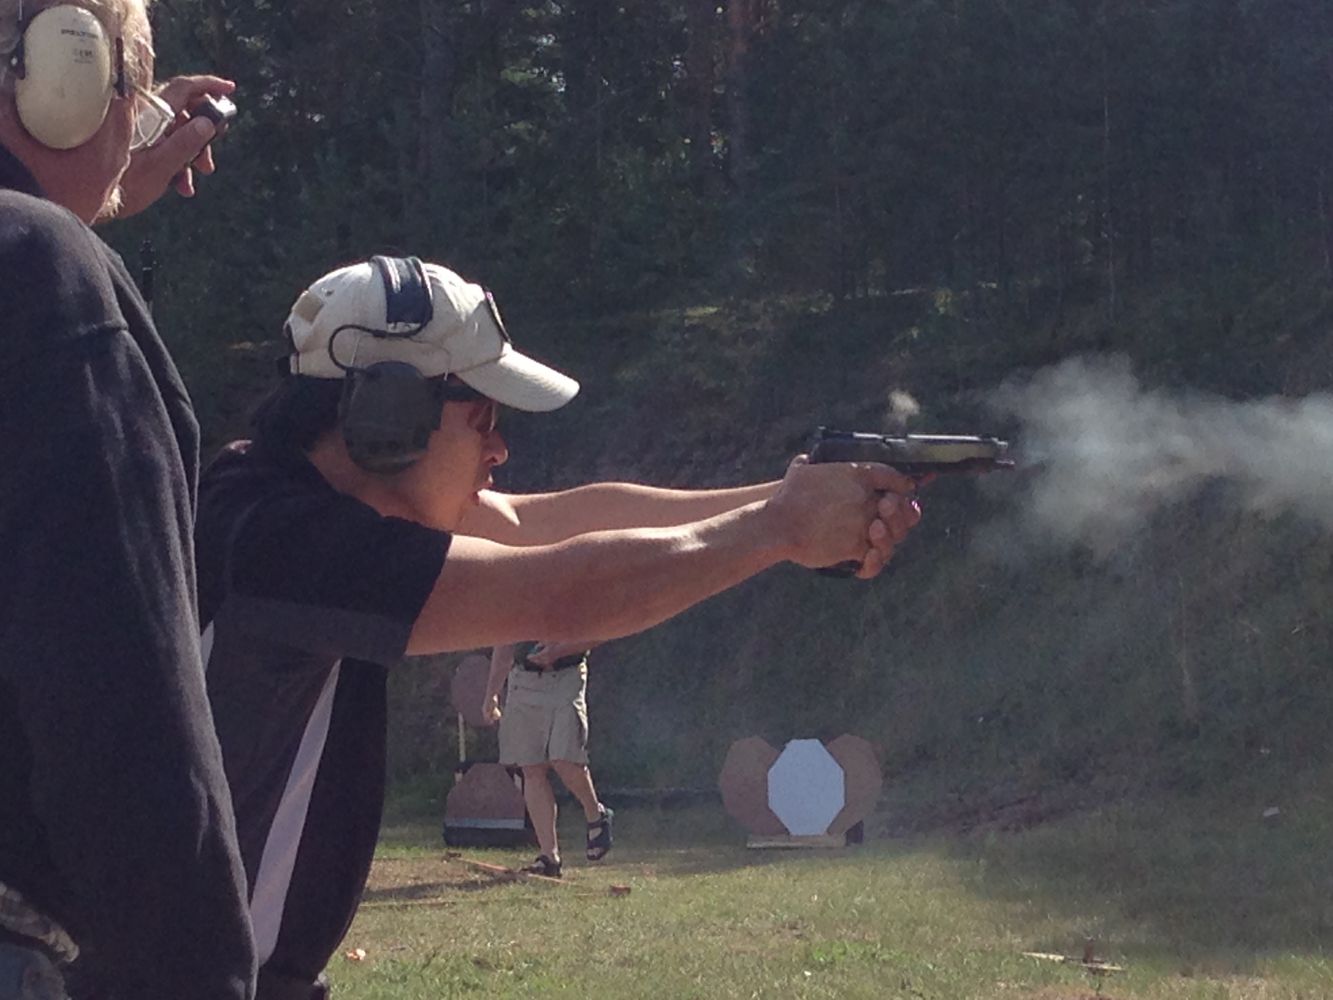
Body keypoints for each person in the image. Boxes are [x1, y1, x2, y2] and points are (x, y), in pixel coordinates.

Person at [196, 254, 924, 998]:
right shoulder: (281, 545)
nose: (498, 449)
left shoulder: (273, 497)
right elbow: (565, 590)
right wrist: (779, 528)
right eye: (482, 418)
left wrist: (791, 499)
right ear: (390, 415)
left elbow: (554, 521)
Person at [0, 2, 256, 998]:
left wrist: (79, 191)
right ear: (63, 76)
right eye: (130, 98)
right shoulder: (41, 281)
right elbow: (117, 693)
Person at [484, 640, 610, 878]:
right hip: (524, 682)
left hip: (566, 677)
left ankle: (596, 814)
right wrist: (491, 694)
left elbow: (595, 634)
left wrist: (559, 651)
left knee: (565, 759)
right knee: (531, 767)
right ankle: (549, 857)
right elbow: (503, 644)